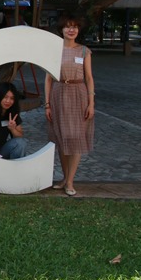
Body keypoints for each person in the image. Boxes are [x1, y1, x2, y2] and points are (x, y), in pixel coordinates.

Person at [45, 13, 95, 197]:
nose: (71, 30)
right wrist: (47, 104)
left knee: (75, 137)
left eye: (74, 26)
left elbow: (89, 78)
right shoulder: (54, 50)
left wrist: (91, 102)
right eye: (68, 26)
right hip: (59, 93)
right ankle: (65, 178)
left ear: (78, 30)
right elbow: (48, 79)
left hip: (78, 94)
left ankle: (70, 181)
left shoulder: (84, 51)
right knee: (62, 137)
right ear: (62, 29)